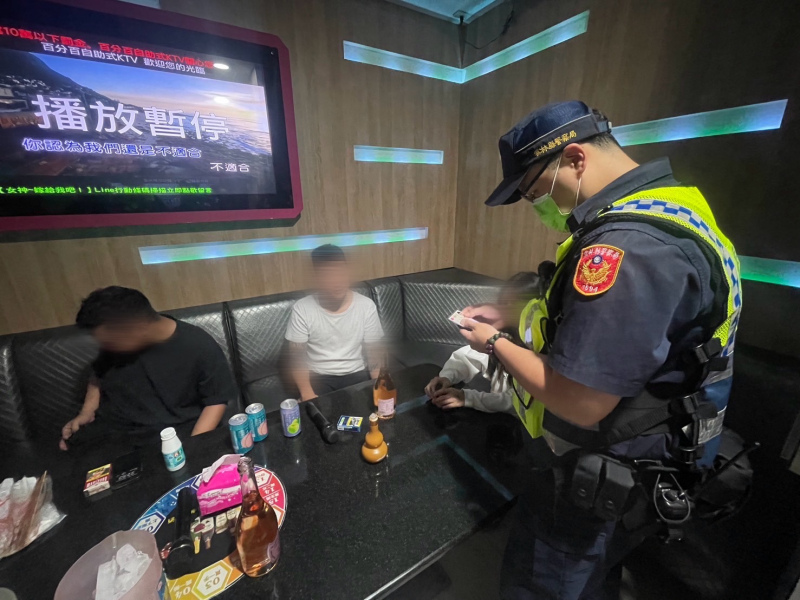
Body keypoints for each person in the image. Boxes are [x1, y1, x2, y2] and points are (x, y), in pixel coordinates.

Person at [458, 101, 741, 599]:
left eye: (535, 191)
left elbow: (582, 402)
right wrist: (513, 315)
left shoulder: (629, 247)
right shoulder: (674, 209)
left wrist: (495, 344)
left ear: (574, 158)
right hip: (641, 469)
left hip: (595, 478)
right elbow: (604, 330)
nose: (538, 206)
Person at [60, 286, 237, 451]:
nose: (105, 346)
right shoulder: (116, 344)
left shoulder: (198, 345)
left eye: (107, 341)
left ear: (136, 328)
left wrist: (192, 447)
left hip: (171, 434)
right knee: (68, 449)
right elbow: (97, 374)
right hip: (115, 432)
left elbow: (216, 401)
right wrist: (86, 412)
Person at [424, 269, 551, 414]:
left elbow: (516, 401)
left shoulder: (538, 349)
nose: (504, 311)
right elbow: (470, 356)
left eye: (514, 306)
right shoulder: (505, 335)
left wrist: (466, 397)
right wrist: (447, 376)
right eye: (504, 303)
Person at [286, 244, 384, 400]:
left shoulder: (366, 306)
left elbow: (374, 353)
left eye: (341, 272)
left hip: (357, 372)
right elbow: (297, 358)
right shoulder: (302, 308)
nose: (337, 281)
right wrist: (306, 393)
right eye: (328, 275)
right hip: (319, 376)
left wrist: (378, 385)